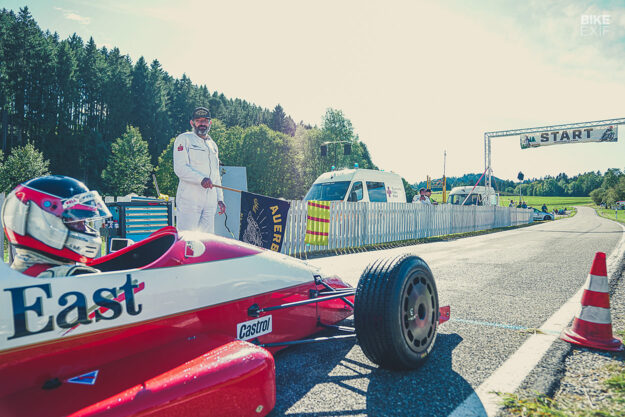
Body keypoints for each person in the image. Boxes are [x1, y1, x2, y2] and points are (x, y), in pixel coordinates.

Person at [1, 175, 111, 277]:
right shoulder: (73, 277)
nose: (84, 228)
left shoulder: (17, 276)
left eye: (84, 222)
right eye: (76, 221)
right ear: (39, 223)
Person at [173, 106, 226, 233]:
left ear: (210, 123)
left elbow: (216, 174)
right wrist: (201, 179)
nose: (202, 123)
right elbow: (180, 168)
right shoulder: (184, 139)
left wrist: (220, 199)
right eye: (198, 120)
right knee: (187, 239)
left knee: (207, 241)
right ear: (192, 123)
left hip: (210, 201)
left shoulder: (213, 145)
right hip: (189, 199)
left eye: (205, 120)